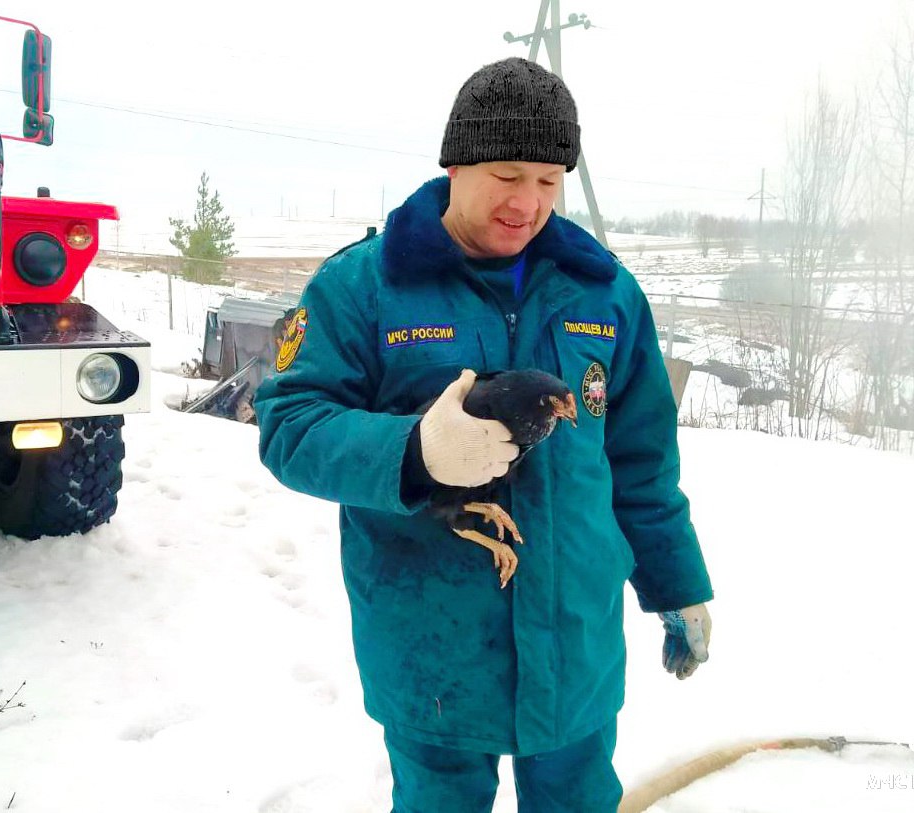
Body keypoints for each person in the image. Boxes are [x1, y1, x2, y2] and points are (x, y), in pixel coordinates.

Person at [255, 57, 713, 813]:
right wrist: (414, 452)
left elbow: (640, 465)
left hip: (575, 644)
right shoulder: (363, 286)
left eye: (547, 180)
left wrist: (677, 583)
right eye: (507, 173)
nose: (526, 202)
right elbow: (290, 426)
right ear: (455, 162)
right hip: (429, 646)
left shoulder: (605, 292)